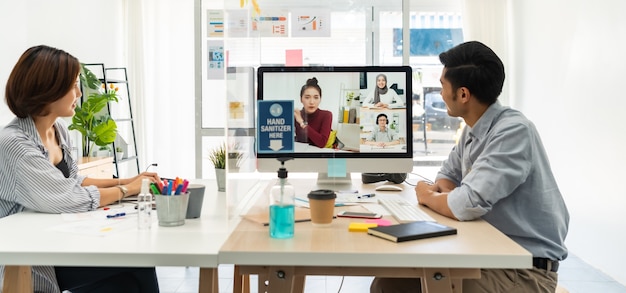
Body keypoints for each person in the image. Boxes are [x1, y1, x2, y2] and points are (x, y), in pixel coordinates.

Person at [370, 41, 569, 293]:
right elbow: (447, 176)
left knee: (407, 286)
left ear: (463, 94)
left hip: (524, 271)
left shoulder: (514, 131)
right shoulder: (475, 127)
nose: (440, 93)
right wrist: (446, 198)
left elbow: (465, 203)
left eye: (443, 85)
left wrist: (427, 195)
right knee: (388, 283)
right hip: (487, 254)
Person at [0, 45, 161, 293]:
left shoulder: (59, 130)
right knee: (136, 266)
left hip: (55, 242)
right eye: (73, 85)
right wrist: (127, 189)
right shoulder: (14, 145)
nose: (79, 93)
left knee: (136, 268)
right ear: (48, 89)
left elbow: (74, 180)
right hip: (27, 259)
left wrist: (132, 180)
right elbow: (69, 198)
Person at [294, 77, 334, 148]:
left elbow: (322, 143)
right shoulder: (296, 115)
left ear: (320, 99)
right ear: (301, 99)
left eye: (316, 97)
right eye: (307, 97)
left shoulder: (326, 115)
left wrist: (302, 123)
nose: (312, 102)